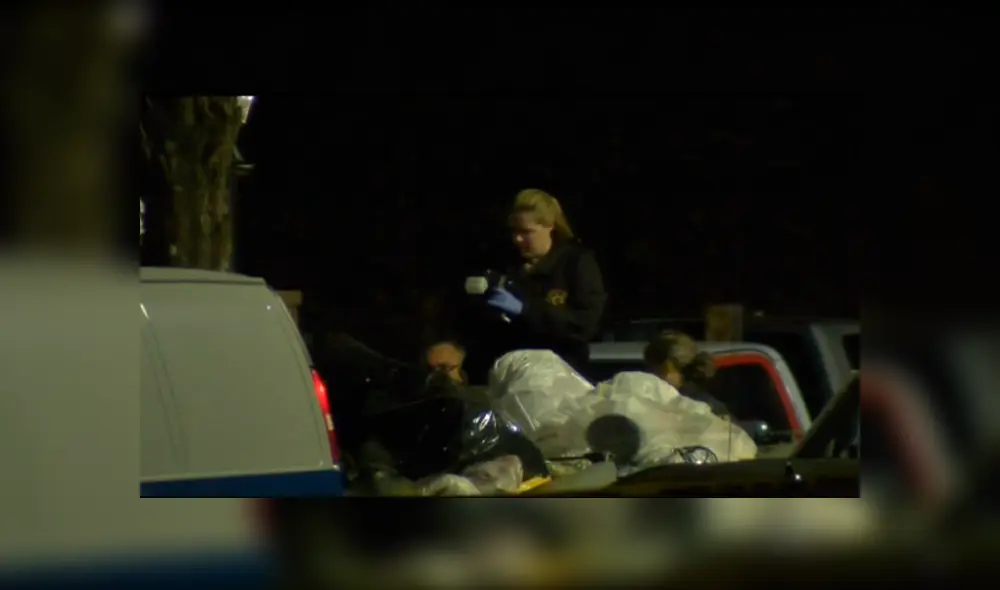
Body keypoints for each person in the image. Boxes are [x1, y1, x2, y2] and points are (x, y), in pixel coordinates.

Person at [468, 188, 607, 381]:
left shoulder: (576, 263)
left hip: (562, 378)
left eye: (526, 232)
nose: (517, 239)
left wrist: (527, 311)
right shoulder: (507, 265)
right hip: (513, 376)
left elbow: (585, 324)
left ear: (550, 226)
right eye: (514, 232)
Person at [643, 330, 732, 419]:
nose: (648, 375)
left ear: (668, 366)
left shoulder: (705, 409)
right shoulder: (709, 405)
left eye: (653, 369)